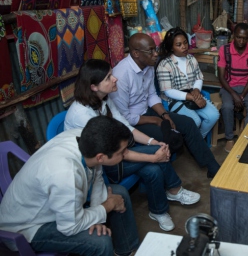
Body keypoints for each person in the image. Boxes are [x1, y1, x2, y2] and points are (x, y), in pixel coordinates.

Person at [64, 59, 200, 231]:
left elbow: (126, 127)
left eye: (111, 75)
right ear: (93, 87)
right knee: (156, 159)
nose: (115, 79)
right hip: (100, 165)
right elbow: (114, 153)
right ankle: (175, 190)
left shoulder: (103, 100)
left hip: (114, 154)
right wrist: (153, 155)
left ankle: (158, 211)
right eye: (108, 77)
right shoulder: (83, 115)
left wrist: (153, 142)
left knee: (153, 169)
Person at [0, 116, 140, 256]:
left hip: (58, 207)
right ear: (100, 157)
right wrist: (107, 206)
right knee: (100, 242)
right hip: (28, 226)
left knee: (119, 193)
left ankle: (128, 251)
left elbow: (97, 176)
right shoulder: (65, 174)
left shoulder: (85, 139)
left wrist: (96, 214)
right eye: (121, 152)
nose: (125, 154)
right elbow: (69, 227)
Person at [109, 33, 220, 178]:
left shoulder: (147, 66)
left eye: (155, 49)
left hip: (148, 112)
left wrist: (165, 115)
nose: (156, 54)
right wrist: (157, 120)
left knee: (188, 123)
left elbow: (151, 95)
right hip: (132, 123)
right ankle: (172, 185)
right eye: (151, 51)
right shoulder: (121, 75)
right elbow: (125, 118)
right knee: (170, 137)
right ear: (136, 53)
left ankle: (213, 167)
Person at [156, 27, 219, 138]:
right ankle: (194, 142)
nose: (184, 47)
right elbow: (168, 91)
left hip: (192, 93)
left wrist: (196, 90)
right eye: (179, 45)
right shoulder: (164, 65)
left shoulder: (191, 59)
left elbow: (199, 78)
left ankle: (198, 138)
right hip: (174, 100)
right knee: (195, 121)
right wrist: (193, 97)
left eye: (185, 42)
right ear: (171, 47)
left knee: (214, 115)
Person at [217, 23, 248, 152]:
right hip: (228, 87)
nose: (241, 41)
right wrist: (234, 95)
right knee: (227, 106)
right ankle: (229, 139)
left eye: (245, 38)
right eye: (238, 37)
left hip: (246, 87)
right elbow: (221, 77)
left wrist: (241, 96)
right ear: (233, 36)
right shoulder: (224, 50)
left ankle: (247, 138)